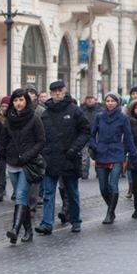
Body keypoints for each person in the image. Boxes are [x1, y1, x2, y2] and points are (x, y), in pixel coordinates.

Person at [35, 81, 90, 234]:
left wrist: (75, 148)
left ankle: (75, 220)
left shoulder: (74, 110)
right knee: (48, 193)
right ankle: (46, 223)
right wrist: (43, 151)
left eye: (60, 90)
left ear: (65, 91)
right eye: (55, 91)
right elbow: (40, 136)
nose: (58, 93)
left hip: (69, 157)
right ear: (51, 93)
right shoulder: (45, 114)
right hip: (50, 158)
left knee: (72, 192)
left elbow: (85, 131)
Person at [0, 89, 45, 244]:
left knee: (20, 195)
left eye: (21, 100)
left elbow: (40, 141)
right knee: (22, 198)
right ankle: (29, 231)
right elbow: (3, 142)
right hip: (12, 163)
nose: (18, 103)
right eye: (16, 100)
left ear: (27, 101)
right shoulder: (8, 120)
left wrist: (26, 156)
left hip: (27, 163)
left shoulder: (34, 119)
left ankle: (15, 229)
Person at [89, 92, 137, 224]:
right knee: (103, 188)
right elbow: (92, 135)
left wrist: (134, 154)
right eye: (108, 101)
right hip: (101, 153)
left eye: (112, 101)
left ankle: (110, 213)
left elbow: (128, 138)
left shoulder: (123, 118)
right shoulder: (99, 117)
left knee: (113, 185)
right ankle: (111, 208)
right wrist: (94, 146)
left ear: (117, 103)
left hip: (117, 153)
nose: (110, 103)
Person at [80, 95, 102, 180]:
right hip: (84, 135)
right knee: (84, 156)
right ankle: (84, 173)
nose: (89, 101)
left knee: (97, 155)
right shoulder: (81, 110)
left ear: (95, 100)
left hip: (97, 135)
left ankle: (99, 172)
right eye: (88, 99)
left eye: (91, 99)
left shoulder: (100, 110)